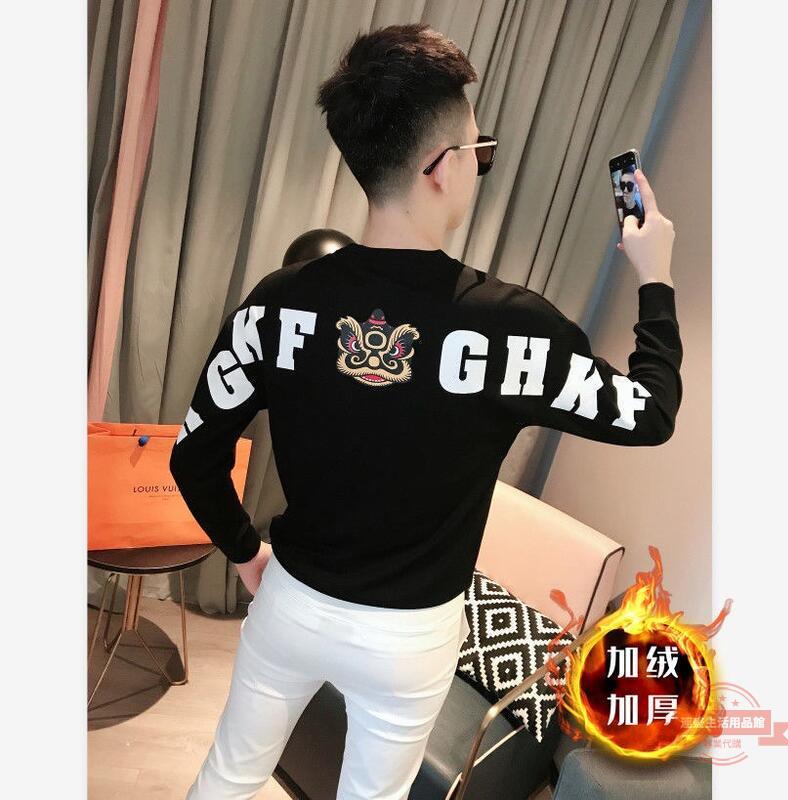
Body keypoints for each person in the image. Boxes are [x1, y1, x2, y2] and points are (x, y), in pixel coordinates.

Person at [169, 22, 681, 800]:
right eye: (481, 151)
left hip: (293, 602)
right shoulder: (513, 328)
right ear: (442, 167)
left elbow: (193, 455)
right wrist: (655, 276)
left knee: (229, 773)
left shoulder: (278, 303)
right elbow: (649, 411)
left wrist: (244, 553)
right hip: (408, 636)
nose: (480, 165)